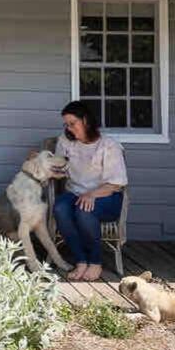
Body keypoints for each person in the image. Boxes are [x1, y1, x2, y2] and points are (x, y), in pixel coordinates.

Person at [53, 100, 127, 281]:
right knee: (60, 208)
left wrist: (91, 195)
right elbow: (59, 169)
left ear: (85, 120)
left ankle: (95, 262)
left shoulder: (108, 146)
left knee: (84, 210)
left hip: (107, 196)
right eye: (66, 125)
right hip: (75, 193)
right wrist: (41, 161)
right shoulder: (66, 142)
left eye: (72, 123)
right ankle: (81, 260)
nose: (69, 128)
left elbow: (116, 183)